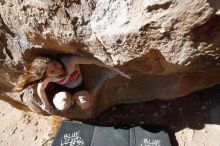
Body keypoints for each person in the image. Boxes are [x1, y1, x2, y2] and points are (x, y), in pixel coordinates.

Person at [13, 54, 131, 113]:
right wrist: (46, 104)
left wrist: (117, 70)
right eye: (52, 71)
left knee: (85, 104)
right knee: (62, 105)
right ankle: (68, 98)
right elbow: (40, 89)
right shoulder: (47, 78)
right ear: (47, 75)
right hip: (61, 89)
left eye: (55, 64)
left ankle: (74, 98)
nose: (58, 69)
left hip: (79, 86)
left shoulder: (70, 61)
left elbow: (94, 61)